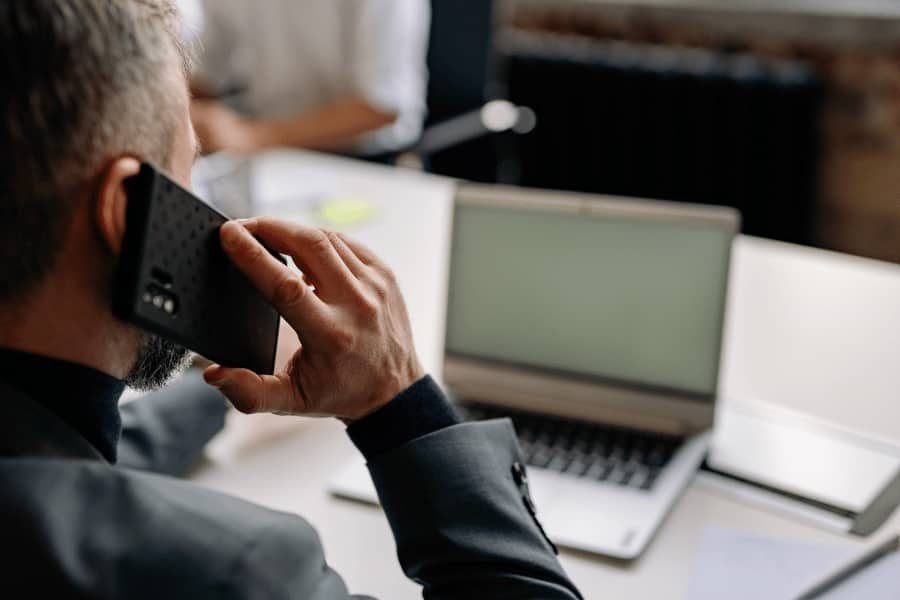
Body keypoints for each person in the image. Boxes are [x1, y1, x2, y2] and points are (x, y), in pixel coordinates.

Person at [0, 2, 582, 598]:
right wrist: (400, 404)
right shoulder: (237, 571)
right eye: (191, 173)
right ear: (126, 213)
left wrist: (219, 382)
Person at [186, 0, 429, 158]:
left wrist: (253, 136)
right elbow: (206, 76)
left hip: (365, 160)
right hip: (266, 154)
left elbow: (381, 107)